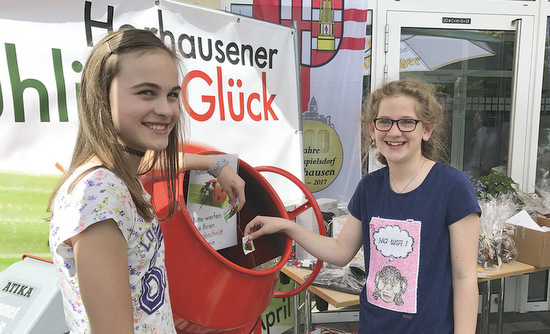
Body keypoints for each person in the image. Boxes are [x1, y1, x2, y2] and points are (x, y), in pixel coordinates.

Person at [47, 29, 245, 333]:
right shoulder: (100, 196)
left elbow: (152, 164)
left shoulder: (117, 172)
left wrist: (214, 164)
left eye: (172, 95)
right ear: (101, 96)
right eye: (146, 93)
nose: (166, 110)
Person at [245, 80, 481, 333]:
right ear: (372, 129)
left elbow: (464, 278)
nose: (394, 131)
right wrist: (286, 226)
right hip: (373, 326)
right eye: (384, 122)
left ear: (427, 130)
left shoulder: (452, 186)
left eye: (406, 122)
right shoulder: (370, 187)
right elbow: (340, 251)